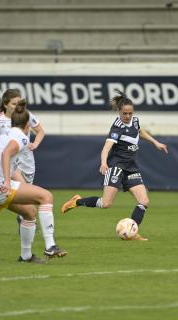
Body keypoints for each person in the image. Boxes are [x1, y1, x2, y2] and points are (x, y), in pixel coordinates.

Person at [61, 90, 168, 240]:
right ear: (119, 112)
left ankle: (132, 232)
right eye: (125, 113)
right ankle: (77, 201)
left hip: (131, 167)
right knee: (106, 204)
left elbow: (139, 131)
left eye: (130, 113)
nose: (128, 116)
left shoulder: (135, 121)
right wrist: (104, 163)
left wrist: (155, 142)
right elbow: (106, 147)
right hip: (116, 167)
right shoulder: (116, 128)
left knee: (144, 201)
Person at [0, 99, 66, 263]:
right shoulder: (21, 137)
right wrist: (5, 182)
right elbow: (6, 155)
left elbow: (9, 166)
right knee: (46, 197)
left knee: (30, 213)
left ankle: (26, 256)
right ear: (27, 124)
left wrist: (0, 202)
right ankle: (50, 246)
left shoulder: (3, 135)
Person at [0, 89, 45, 219]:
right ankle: (28, 222)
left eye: (19, 103)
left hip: (27, 162)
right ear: (5, 104)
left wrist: (35, 144)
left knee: (26, 200)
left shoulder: (27, 115)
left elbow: (40, 131)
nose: (17, 106)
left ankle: (5, 207)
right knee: (29, 202)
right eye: (13, 103)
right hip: (10, 162)